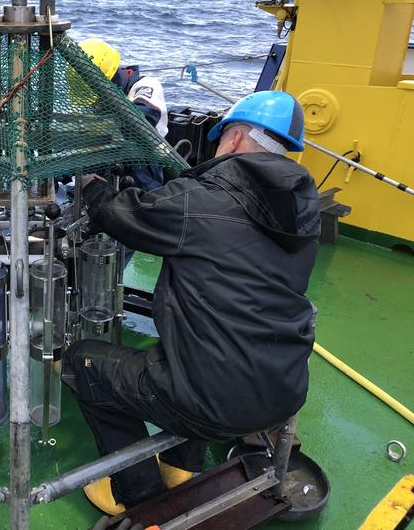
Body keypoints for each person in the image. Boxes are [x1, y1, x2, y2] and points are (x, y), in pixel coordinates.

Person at [61, 91, 320, 514]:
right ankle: (182, 465)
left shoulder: (202, 199)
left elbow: (126, 215)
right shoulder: (303, 212)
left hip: (217, 401)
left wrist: (91, 185)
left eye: (221, 141)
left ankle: (138, 492)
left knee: (82, 362)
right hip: (284, 388)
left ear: (234, 140)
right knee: (206, 346)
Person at [79, 38, 169, 191]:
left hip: (145, 164)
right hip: (106, 162)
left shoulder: (146, 85)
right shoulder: (93, 99)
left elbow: (143, 118)